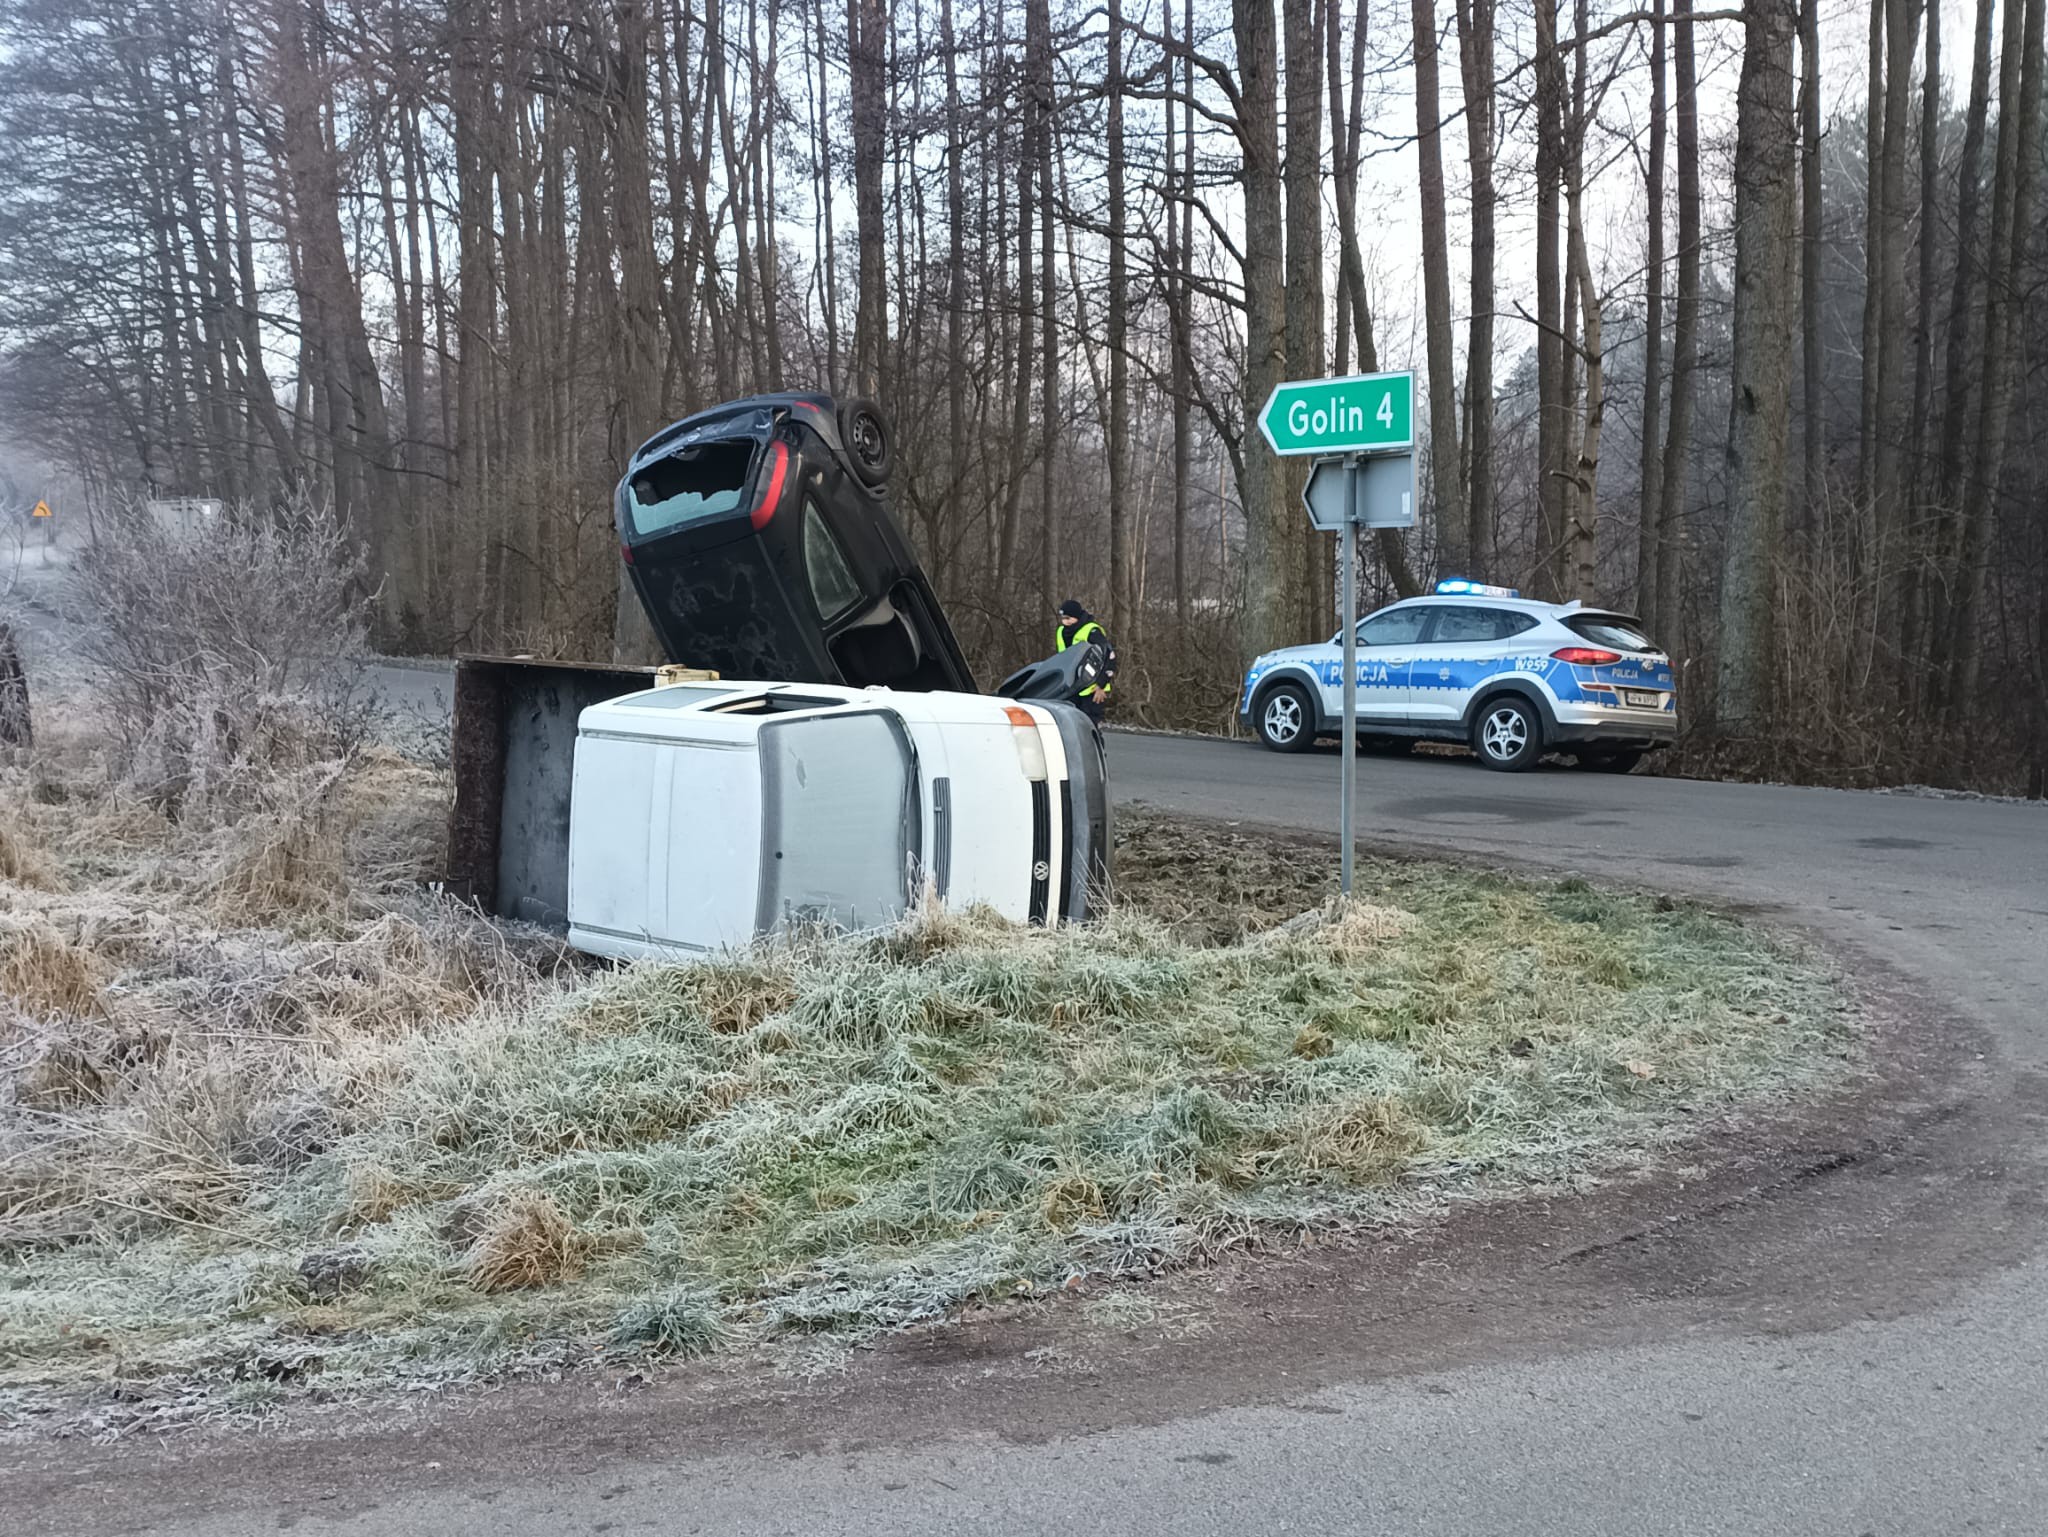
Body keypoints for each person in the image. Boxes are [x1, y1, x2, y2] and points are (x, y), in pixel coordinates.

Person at [1054, 599, 1117, 724]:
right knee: (1070, 725)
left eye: (1068, 618)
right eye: (1063, 618)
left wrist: (1101, 685)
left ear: (1077, 616)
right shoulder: (1061, 632)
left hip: (1092, 688)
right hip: (1071, 687)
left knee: (1089, 724)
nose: (1065, 622)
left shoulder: (1092, 631)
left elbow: (1109, 657)